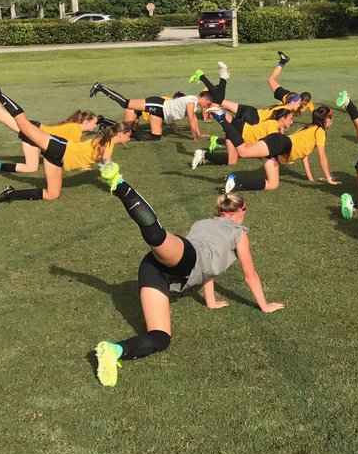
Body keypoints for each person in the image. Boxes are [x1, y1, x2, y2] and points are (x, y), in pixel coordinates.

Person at [91, 164, 283, 387]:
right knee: (156, 236)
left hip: (153, 269)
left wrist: (210, 301)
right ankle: (120, 184)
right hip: (184, 257)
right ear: (242, 211)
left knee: (160, 338)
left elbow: (210, 267)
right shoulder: (239, 233)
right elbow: (250, 275)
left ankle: (114, 350)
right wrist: (264, 305)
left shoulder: (203, 222)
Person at [0, 79, 134, 203]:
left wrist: (108, 171)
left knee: (52, 194)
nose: (130, 138)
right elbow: (106, 156)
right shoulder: (107, 143)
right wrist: (109, 165)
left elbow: (99, 156)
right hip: (58, 147)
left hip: (57, 158)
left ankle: (10, 194)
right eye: (129, 135)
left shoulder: (104, 137)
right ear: (121, 134)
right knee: (22, 124)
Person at [219, 107, 337, 192]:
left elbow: (304, 155)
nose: (332, 121)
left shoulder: (308, 127)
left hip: (278, 147)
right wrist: (329, 179)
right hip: (279, 143)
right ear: (327, 119)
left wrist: (311, 179)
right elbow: (322, 157)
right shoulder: (320, 131)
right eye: (331, 119)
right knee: (243, 151)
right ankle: (221, 118)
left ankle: (235, 181)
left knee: (273, 184)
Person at [0, 108, 100, 175]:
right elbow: (71, 154)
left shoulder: (75, 128)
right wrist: (83, 166)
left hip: (35, 137)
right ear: (86, 122)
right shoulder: (75, 130)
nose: (95, 126)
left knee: (31, 168)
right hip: (33, 131)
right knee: (1, 115)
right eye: (94, 123)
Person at [89, 80, 206, 141]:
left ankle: (104, 122)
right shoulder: (191, 100)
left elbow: (173, 119)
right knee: (125, 103)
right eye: (208, 103)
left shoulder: (192, 105)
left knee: (155, 137)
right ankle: (100, 87)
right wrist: (195, 136)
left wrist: (180, 130)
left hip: (159, 111)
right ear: (205, 98)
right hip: (158, 105)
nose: (207, 106)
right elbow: (192, 120)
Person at [191, 107, 295, 169]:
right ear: (282, 119)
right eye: (290, 119)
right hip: (240, 131)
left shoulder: (275, 127)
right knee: (231, 161)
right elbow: (273, 149)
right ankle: (219, 111)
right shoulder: (272, 125)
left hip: (240, 131)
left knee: (232, 161)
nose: (292, 122)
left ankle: (203, 155)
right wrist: (285, 160)